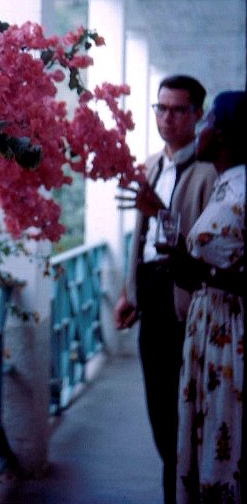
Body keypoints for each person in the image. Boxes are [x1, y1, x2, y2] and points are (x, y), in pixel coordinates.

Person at [114, 74, 217, 504]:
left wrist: (160, 211)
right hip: (152, 295)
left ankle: (180, 490)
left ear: (197, 115)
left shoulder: (211, 173)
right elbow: (138, 238)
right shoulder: (152, 164)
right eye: (161, 108)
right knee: (158, 405)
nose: (167, 118)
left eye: (178, 110)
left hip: (188, 301)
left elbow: (205, 247)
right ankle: (174, 483)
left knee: (186, 410)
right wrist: (129, 293)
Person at [163, 90, 246, 503]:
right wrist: (186, 263)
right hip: (209, 332)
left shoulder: (243, 191)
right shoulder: (224, 186)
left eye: (208, 121)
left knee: (223, 443)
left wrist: (201, 272)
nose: (200, 130)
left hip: (231, 337)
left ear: (225, 133)